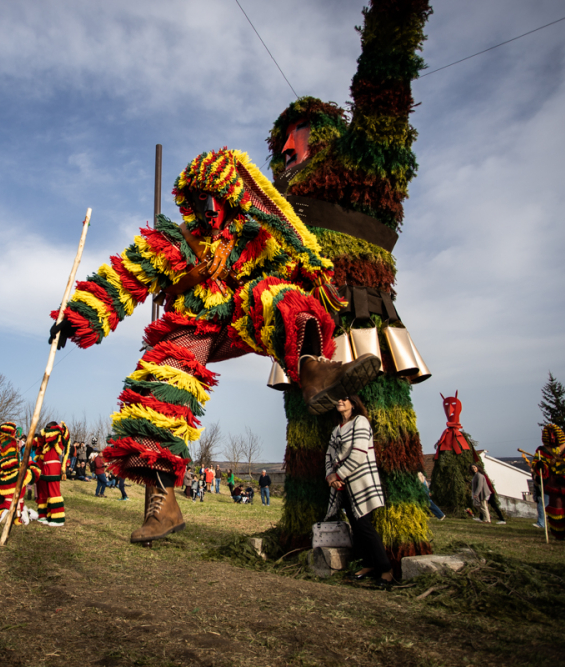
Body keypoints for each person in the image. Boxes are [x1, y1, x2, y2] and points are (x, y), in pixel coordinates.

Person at [48, 148, 381, 544]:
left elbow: (297, 267)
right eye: (199, 198)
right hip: (196, 326)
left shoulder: (255, 241)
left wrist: (317, 274)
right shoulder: (176, 240)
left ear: (231, 197)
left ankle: (314, 370)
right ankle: (163, 505)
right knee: (159, 384)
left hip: (243, 318)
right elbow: (125, 275)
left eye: (215, 197)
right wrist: (77, 316)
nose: (207, 208)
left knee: (279, 295)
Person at [324, 395, 393, 586]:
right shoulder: (336, 429)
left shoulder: (360, 422)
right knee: (356, 525)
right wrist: (331, 476)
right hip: (342, 484)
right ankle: (368, 564)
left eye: (345, 399)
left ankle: (386, 569)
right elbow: (329, 455)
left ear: (353, 404)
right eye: (339, 399)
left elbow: (359, 452)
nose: (340, 401)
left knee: (365, 525)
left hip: (360, 481)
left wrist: (339, 475)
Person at [36, 422, 70, 526]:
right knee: (44, 491)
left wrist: (59, 427)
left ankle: (58, 518)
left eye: (48, 430)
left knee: (53, 491)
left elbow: (62, 433)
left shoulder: (58, 436)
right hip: (45, 467)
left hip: (53, 467)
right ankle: (45, 515)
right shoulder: (45, 440)